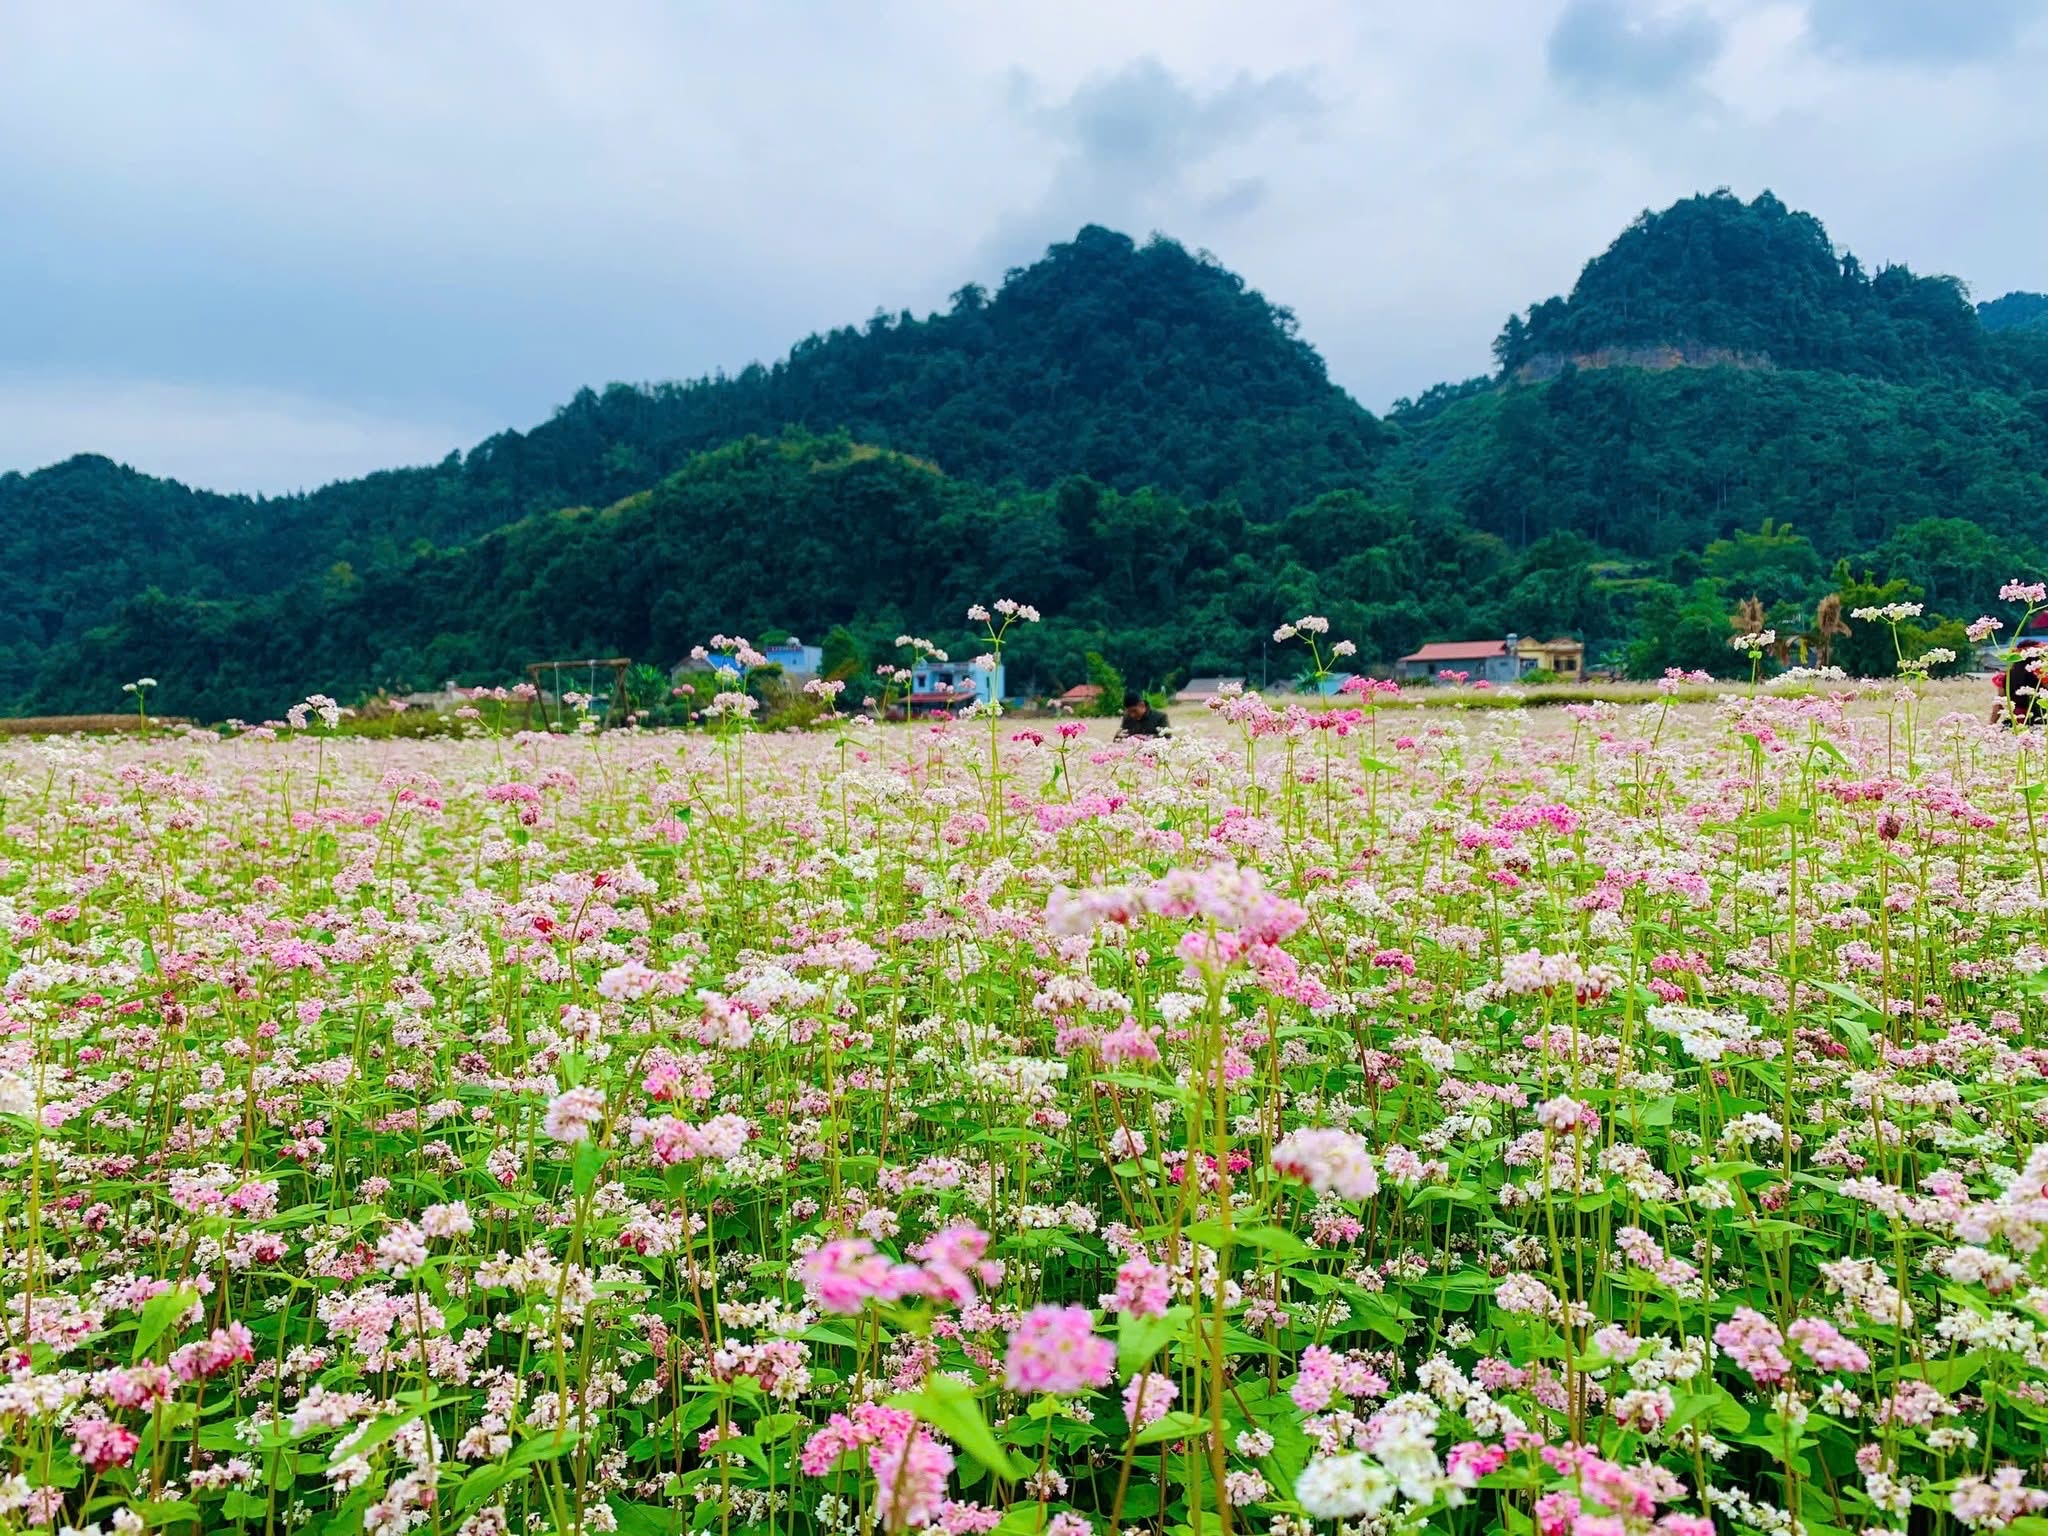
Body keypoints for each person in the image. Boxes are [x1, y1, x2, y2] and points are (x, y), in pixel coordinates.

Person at [1996, 647, 2045, 728]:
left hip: (2015, 719)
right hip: (2039, 719)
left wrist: (1992, 722)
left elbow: (1999, 703)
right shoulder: (2041, 675)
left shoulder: (2008, 676)